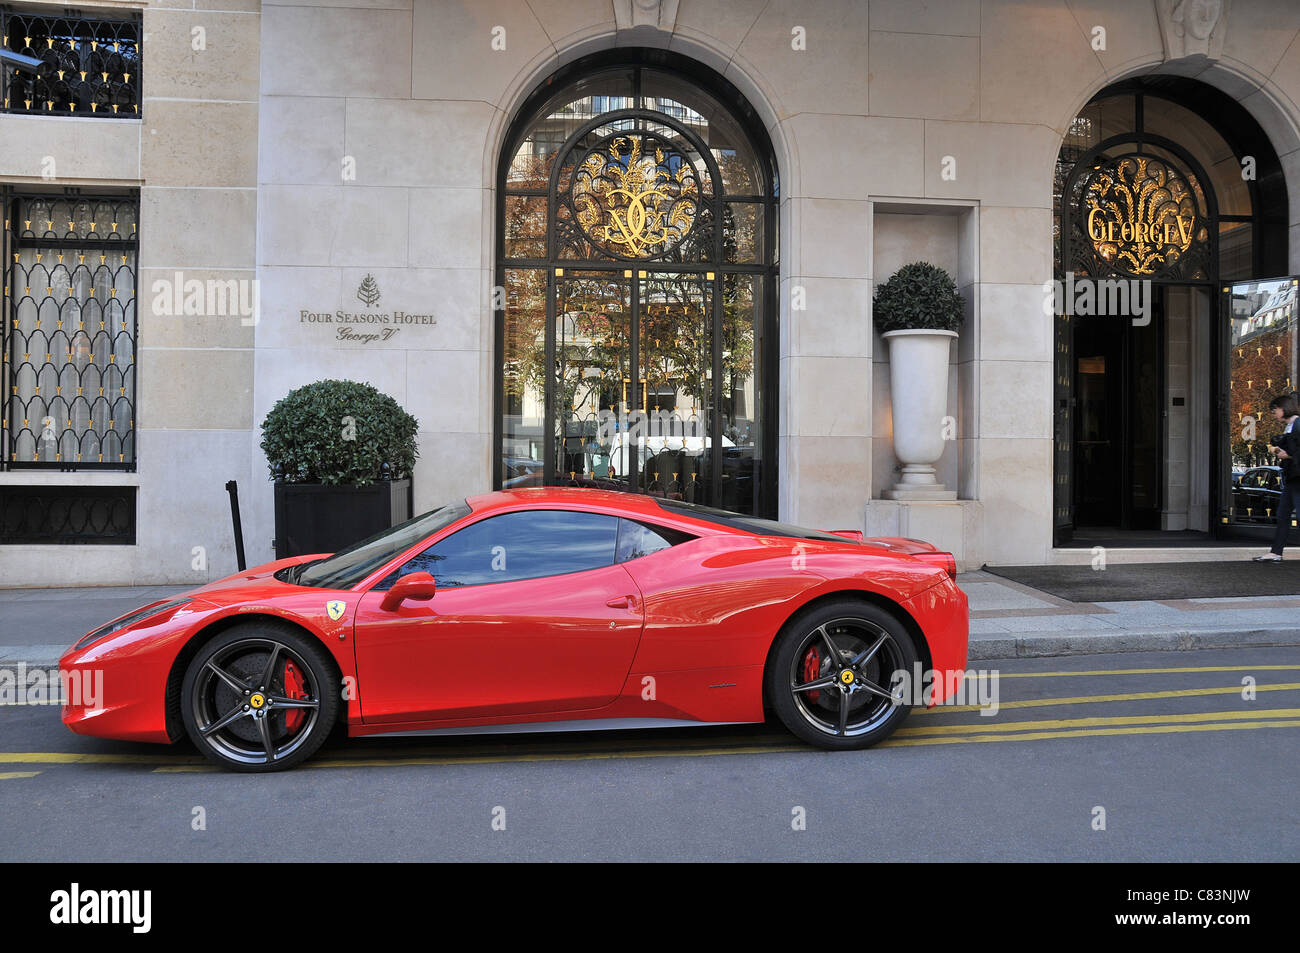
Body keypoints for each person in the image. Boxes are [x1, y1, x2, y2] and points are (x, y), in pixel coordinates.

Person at [1253, 393, 1300, 561]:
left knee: (1289, 514)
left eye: (1275, 410)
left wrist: (1287, 455)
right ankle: (1276, 552)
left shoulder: (1298, 424)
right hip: (1292, 476)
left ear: (1284, 409)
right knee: (1283, 514)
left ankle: (1276, 552)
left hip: (1297, 477)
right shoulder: (1290, 426)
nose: (1273, 414)